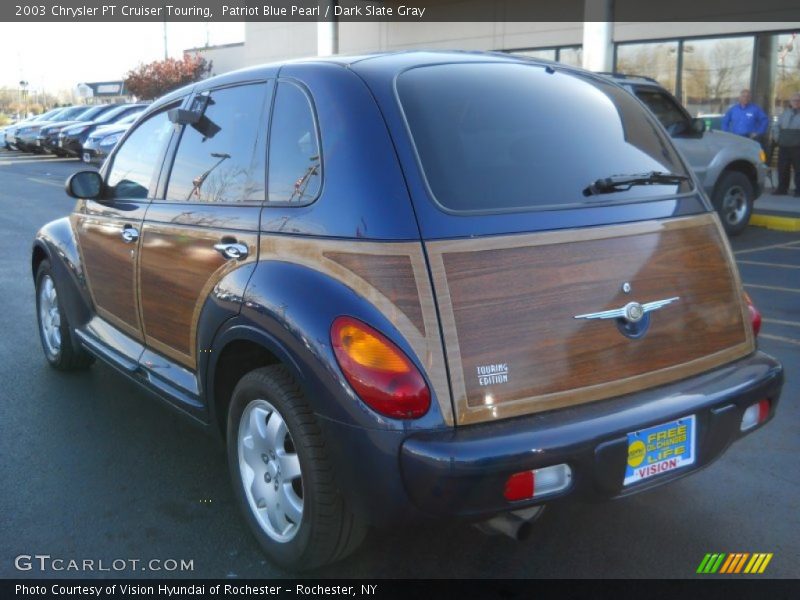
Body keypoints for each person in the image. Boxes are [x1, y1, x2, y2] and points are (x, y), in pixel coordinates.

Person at [775, 93, 800, 196]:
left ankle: (798, 190)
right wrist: (777, 138)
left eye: (798, 100)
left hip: (798, 146)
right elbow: (776, 126)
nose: (796, 102)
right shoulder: (785, 113)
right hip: (784, 145)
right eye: (794, 100)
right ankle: (782, 189)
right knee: (782, 168)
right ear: (790, 102)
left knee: (799, 169)